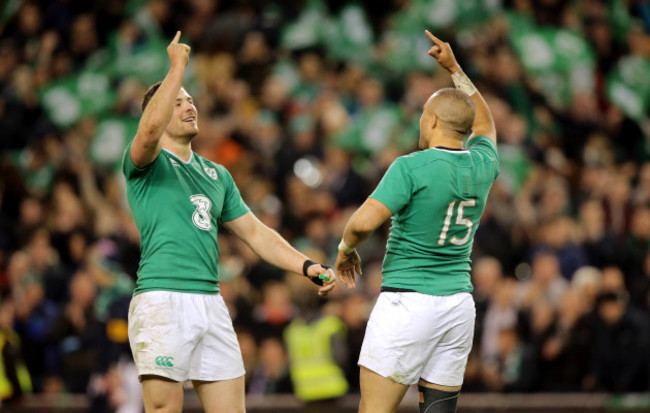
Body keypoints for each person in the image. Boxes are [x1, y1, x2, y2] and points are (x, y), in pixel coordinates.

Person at [122, 32, 335, 413]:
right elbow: (149, 130)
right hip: (161, 299)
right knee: (162, 409)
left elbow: (255, 232)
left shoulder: (216, 174)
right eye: (177, 102)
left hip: (211, 301)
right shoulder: (145, 162)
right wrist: (177, 68)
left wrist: (305, 265)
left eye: (191, 101)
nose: (190, 107)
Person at [335, 30, 498, 413]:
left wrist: (346, 249)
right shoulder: (483, 163)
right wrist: (456, 69)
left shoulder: (411, 166)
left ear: (434, 120)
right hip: (458, 303)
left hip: (407, 303)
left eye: (424, 116)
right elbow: (486, 126)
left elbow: (361, 223)